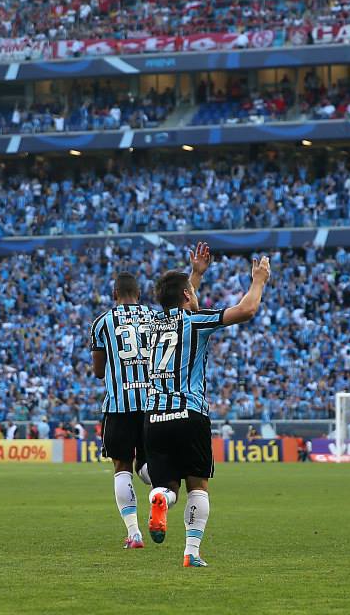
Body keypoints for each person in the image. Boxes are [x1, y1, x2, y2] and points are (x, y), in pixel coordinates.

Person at [145, 255, 271, 567]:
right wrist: (259, 280)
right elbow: (247, 310)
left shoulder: (149, 327)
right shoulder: (195, 324)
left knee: (167, 487)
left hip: (154, 418)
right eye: (193, 289)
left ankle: (160, 501)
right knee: (198, 486)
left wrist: (195, 275)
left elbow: (181, 305)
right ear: (187, 295)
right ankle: (191, 553)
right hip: (190, 414)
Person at [90, 243, 211, 550]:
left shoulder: (102, 322)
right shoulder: (153, 317)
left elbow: (98, 371)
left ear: (115, 295)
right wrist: (195, 275)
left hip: (118, 406)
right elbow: (181, 314)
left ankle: (134, 534)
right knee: (154, 470)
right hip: (150, 404)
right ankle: (163, 493)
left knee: (121, 467)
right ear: (140, 295)